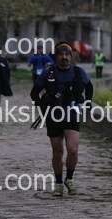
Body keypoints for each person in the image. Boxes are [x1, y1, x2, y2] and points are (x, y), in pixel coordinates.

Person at [30, 41, 93, 197]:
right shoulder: (48, 73)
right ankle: (58, 183)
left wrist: (88, 102)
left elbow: (89, 87)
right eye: (61, 54)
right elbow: (34, 93)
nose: (64, 57)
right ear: (56, 57)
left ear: (70, 57)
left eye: (67, 55)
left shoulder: (78, 72)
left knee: (73, 149)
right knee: (57, 151)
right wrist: (42, 107)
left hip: (72, 113)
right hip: (53, 116)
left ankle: (69, 179)